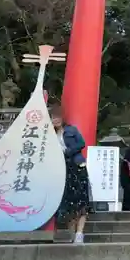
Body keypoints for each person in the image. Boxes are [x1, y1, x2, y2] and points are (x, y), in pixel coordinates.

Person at [52, 105, 89, 244]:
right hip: (63, 170)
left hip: (77, 166)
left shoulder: (71, 130)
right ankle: (73, 234)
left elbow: (81, 143)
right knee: (69, 203)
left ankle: (80, 233)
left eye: (57, 117)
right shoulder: (49, 135)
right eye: (53, 118)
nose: (55, 120)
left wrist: (68, 151)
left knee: (82, 201)